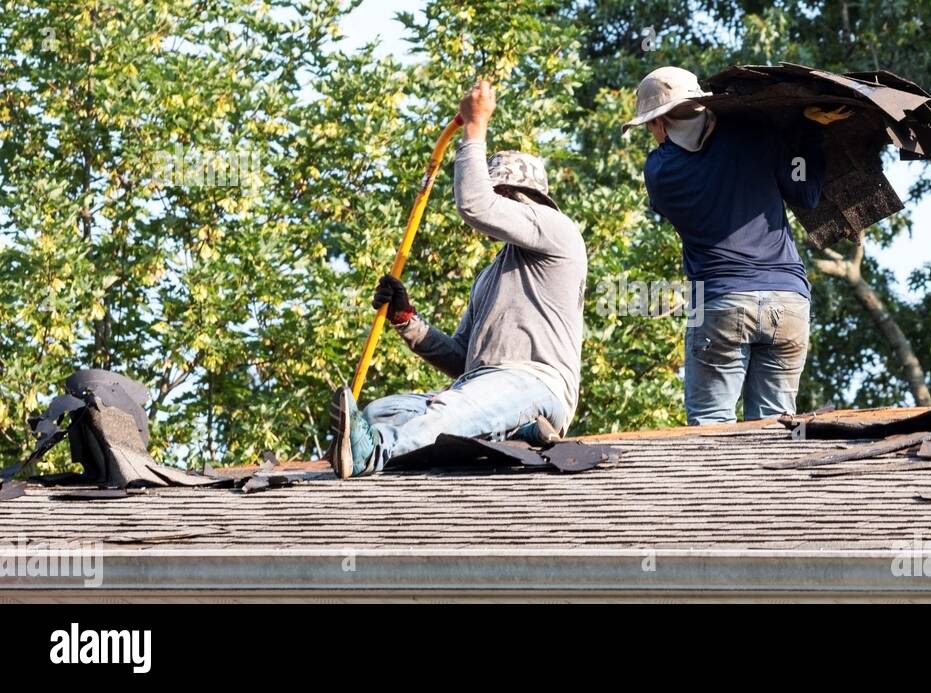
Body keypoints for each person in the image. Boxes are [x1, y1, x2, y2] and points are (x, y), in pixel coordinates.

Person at [327, 80, 587, 479]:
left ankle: (372, 455)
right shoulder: (490, 276)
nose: (496, 213)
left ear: (522, 198)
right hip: (481, 385)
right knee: (382, 411)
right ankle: (519, 432)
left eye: (501, 196)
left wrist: (475, 126)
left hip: (535, 385)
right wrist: (406, 321)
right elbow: (462, 359)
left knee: (450, 412)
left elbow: (475, 204)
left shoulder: (557, 231)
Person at [624, 66, 825, 424]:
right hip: (789, 302)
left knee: (711, 430)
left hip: (721, 303)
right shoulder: (752, 133)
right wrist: (810, 129)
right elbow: (806, 195)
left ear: (659, 123)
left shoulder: (659, 172)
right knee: (776, 434)